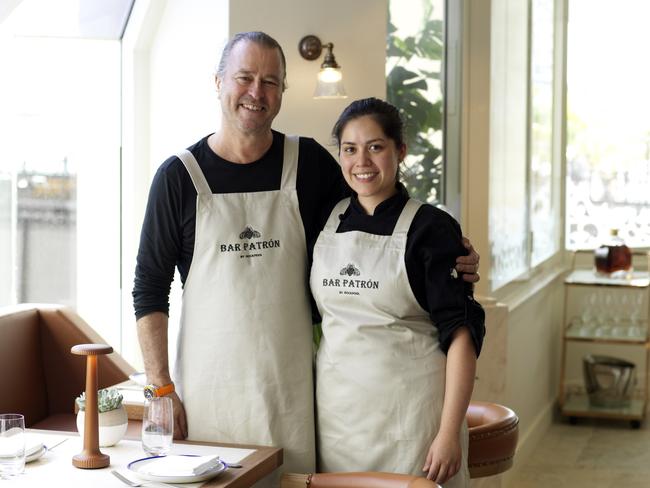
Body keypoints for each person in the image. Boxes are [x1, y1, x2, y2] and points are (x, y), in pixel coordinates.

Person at [132, 32, 481, 483]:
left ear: (282, 93)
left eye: (271, 81)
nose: (257, 92)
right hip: (209, 395)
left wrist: (453, 249)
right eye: (244, 77)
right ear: (218, 82)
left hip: (295, 393)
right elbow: (149, 288)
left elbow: (377, 208)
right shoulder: (178, 177)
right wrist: (161, 389)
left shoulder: (310, 163)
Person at [310, 98, 485, 488]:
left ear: (399, 151)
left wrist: (448, 433)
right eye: (350, 149)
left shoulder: (431, 228)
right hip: (338, 427)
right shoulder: (324, 221)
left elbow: (461, 337)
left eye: (376, 147)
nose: (363, 162)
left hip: (412, 430)